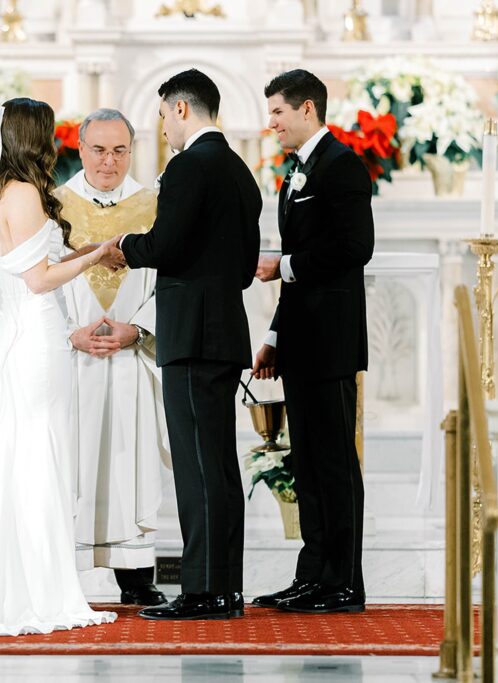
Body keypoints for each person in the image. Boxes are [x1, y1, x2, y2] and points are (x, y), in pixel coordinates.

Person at [0, 98, 119, 638]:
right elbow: (38, 280)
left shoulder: (2, 191)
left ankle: (18, 578)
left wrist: (75, 255)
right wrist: (96, 254)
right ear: (33, 137)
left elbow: (26, 268)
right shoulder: (26, 193)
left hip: (18, 336)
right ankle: (35, 587)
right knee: (34, 450)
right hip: (34, 335)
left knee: (14, 446)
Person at [112, 69, 262, 620]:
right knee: (219, 464)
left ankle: (204, 592)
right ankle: (225, 587)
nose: (163, 128)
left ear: (180, 109)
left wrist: (124, 245)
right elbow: (246, 268)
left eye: (162, 115)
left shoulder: (188, 166)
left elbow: (165, 244)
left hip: (192, 336)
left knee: (199, 468)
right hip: (223, 331)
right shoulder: (240, 172)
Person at [252, 68, 374, 614]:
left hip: (330, 340)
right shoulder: (295, 172)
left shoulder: (343, 166)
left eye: (278, 112)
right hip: (300, 340)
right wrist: (275, 337)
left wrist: (287, 265)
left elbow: (355, 247)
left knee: (333, 464)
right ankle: (313, 575)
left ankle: (345, 581)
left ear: (307, 109)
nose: (271, 122)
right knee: (307, 462)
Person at [55, 108, 170, 607]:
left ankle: (136, 575)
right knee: (70, 462)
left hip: (131, 356)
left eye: (120, 150)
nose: (109, 161)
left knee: (131, 455)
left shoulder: (154, 204)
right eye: (99, 149)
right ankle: (63, 571)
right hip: (71, 359)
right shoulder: (54, 205)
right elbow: (32, 280)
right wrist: (69, 332)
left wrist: (137, 328)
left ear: (133, 150)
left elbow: (173, 278)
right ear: (80, 150)